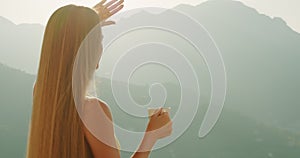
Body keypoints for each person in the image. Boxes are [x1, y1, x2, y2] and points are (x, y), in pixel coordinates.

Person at [26, 1, 173, 158]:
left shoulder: (41, 91)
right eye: (99, 40)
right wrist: (151, 135)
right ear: (89, 50)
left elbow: (65, 41)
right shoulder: (92, 111)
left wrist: (89, 21)